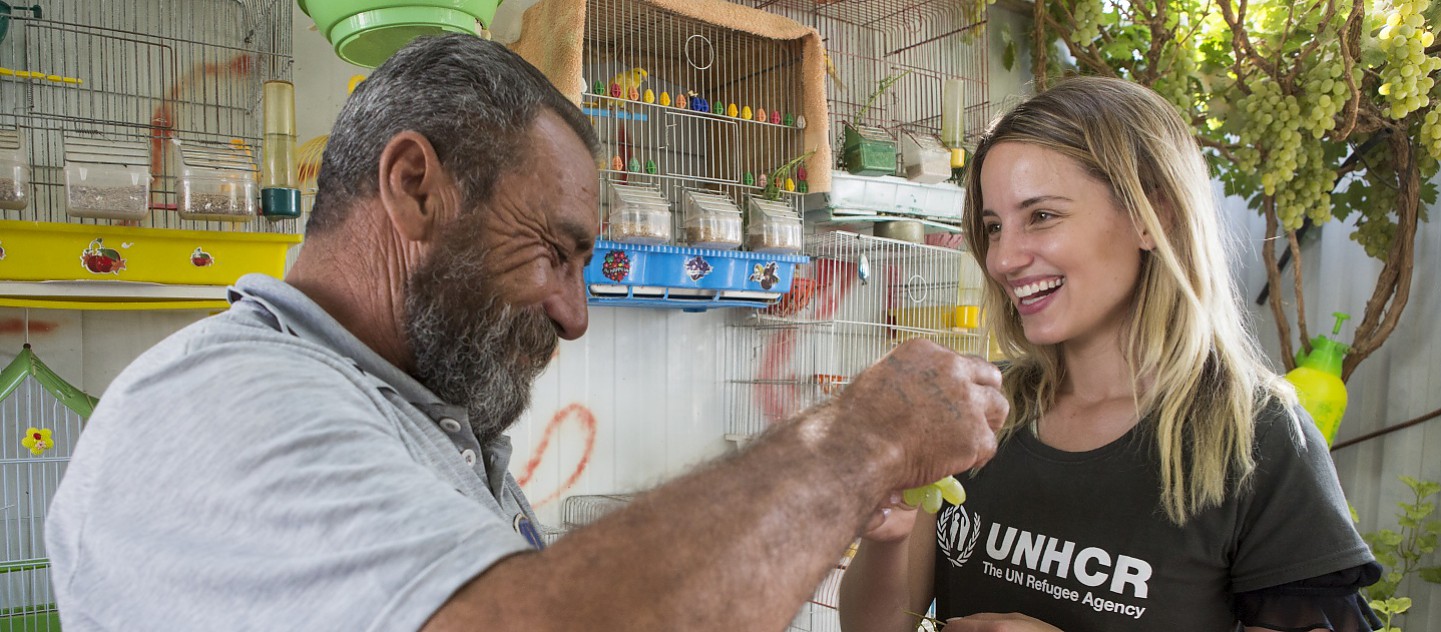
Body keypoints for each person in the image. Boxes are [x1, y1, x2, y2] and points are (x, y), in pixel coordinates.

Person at [43, 34, 1009, 631]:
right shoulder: (225, 402)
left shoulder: (414, 414)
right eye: (554, 250)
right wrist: (852, 440)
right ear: (415, 186)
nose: (574, 314)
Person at [837, 76, 1381, 632]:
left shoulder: (1260, 438)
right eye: (993, 227)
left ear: (1154, 216)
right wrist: (889, 532)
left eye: (1041, 216)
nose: (1003, 258)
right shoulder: (978, 414)